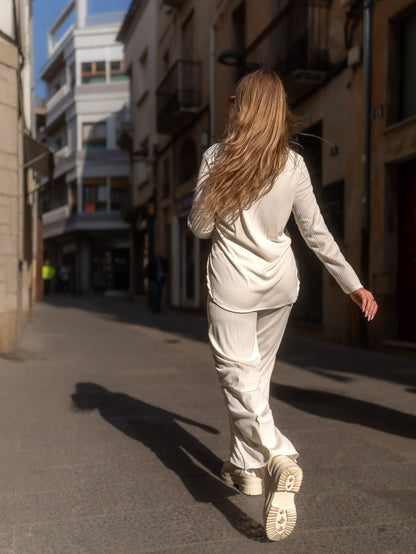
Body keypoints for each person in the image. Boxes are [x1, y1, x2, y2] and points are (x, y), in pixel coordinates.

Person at [187, 69, 378, 542]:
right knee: (254, 380)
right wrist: (352, 283)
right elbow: (315, 233)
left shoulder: (217, 157)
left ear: (244, 106)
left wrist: (218, 193)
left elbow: (199, 227)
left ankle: (277, 455)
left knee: (238, 377)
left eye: (235, 101)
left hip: (233, 287)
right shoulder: (291, 163)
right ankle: (247, 469)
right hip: (279, 285)